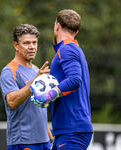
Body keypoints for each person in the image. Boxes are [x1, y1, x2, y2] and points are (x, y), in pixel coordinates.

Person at [30, 9, 93, 150]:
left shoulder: (67, 49)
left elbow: (75, 80)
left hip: (72, 129)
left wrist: (48, 95)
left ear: (57, 26)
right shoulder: (73, 49)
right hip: (67, 130)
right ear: (76, 32)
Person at [0, 24, 54, 150]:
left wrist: (50, 138)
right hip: (23, 142)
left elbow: (38, 109)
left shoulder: (36, 70)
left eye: (34, 43)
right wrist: (34, 81)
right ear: (16, 46)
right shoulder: (8, 71)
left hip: (44, 141)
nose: (32, 47)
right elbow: (12, 102)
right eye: (27, 43)